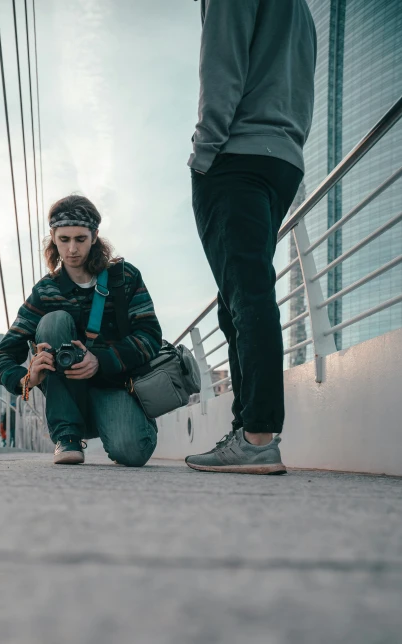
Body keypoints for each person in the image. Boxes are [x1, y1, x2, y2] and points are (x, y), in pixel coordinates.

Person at [185, 0, 317, 474]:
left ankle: (259, 436)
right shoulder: (299, 10)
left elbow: (220, 66)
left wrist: (203, 155)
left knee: (247, 295)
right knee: (237, 298)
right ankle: (247, 432)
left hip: (237, 156)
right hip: (283, 159)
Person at [0, 195, 163, 466]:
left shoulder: (124, 277)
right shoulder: (46, 290)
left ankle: (130, 422)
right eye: (64, 239)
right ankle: (67, 436)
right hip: (66, 393)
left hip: (113, 387)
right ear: (53, 237)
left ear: (94, 236)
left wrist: (99, 361)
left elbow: (150, 336)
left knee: (131, 452)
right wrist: (27, 379)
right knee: (53, 321)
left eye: (80, 239)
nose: (71, 249)